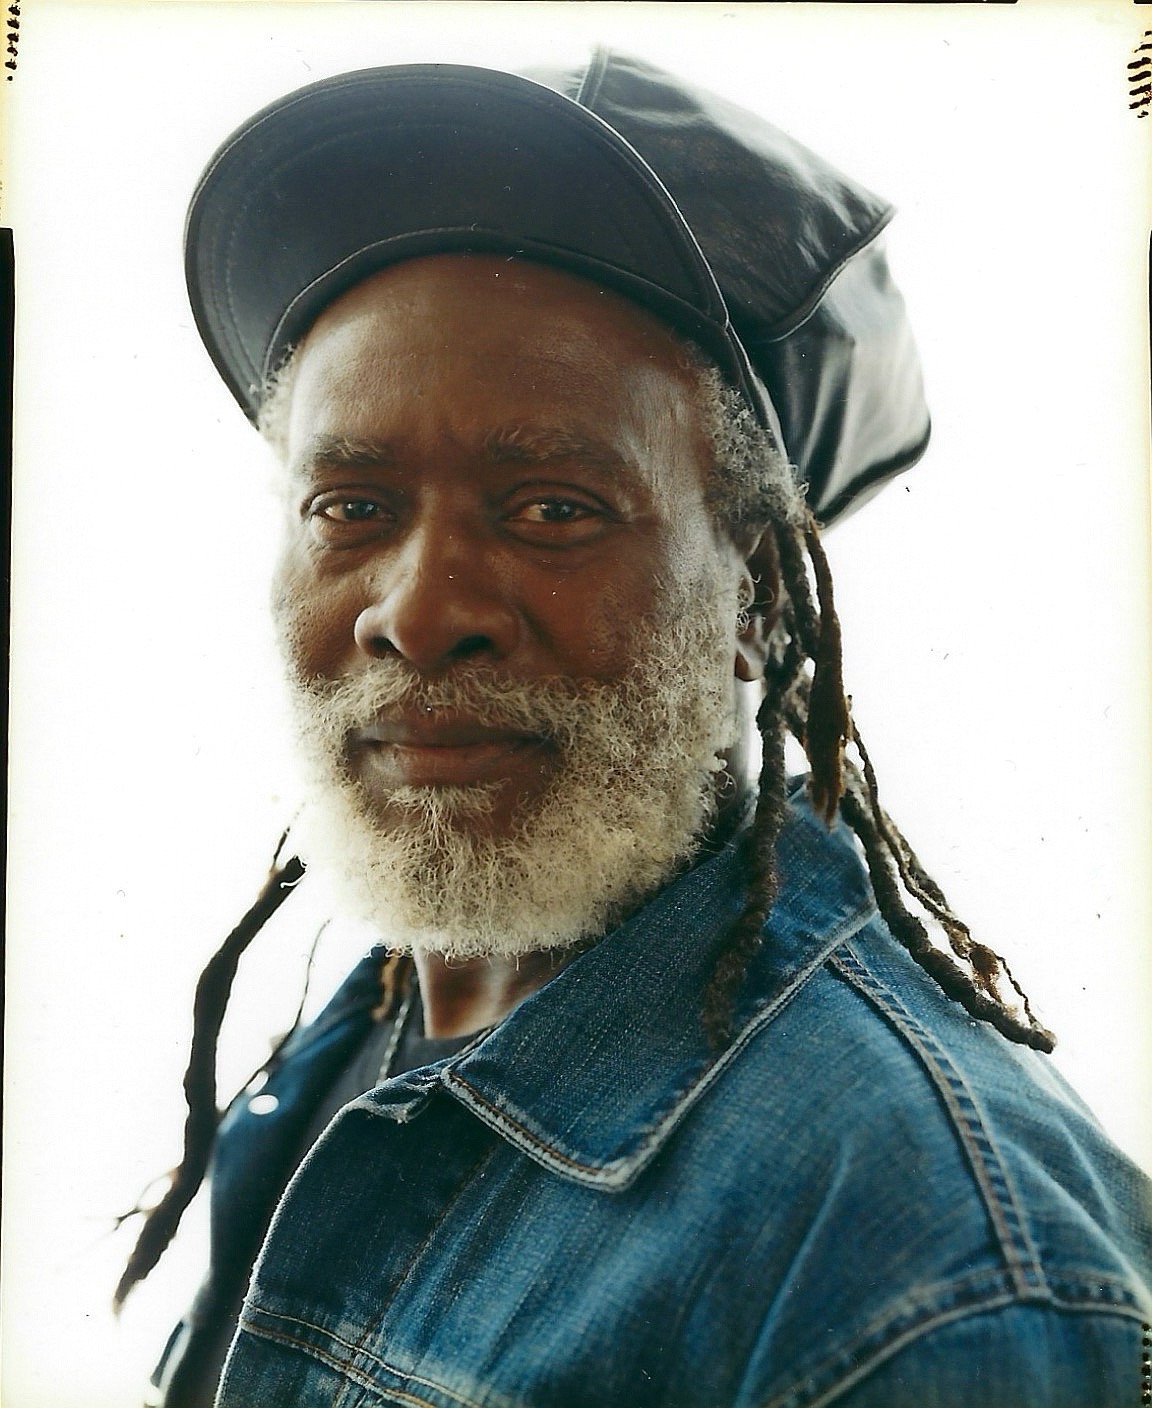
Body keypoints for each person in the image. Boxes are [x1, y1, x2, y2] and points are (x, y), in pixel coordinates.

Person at [119, 54, 1151, 1408]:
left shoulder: (936, 1273)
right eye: (350, 507)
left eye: (552, 506)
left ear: (760, 596)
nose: (419, 614)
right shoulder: (376, 1018)